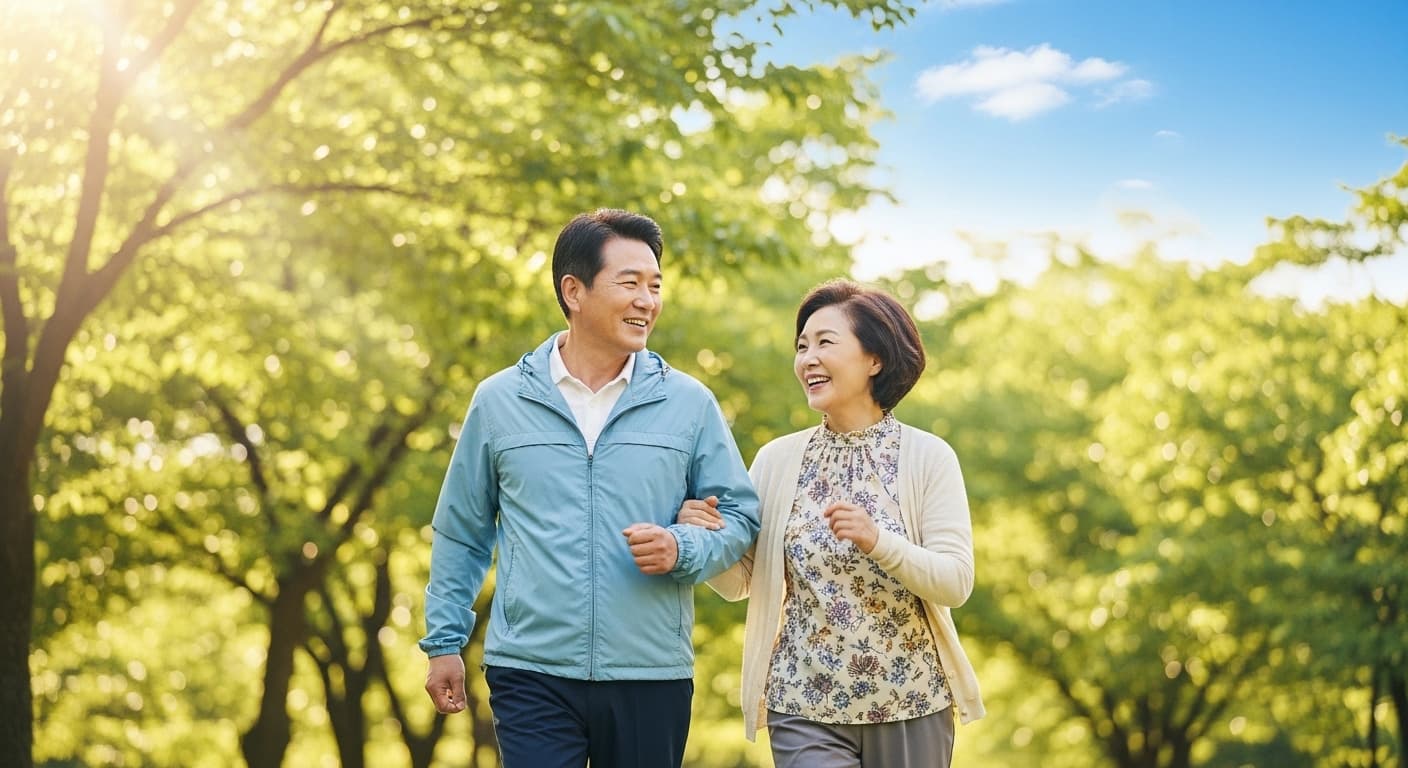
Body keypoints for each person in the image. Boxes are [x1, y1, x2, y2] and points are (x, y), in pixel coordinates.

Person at [420, 208, 761, 768]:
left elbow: (742, 519)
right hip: (530, 669)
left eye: (655, 286)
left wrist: (684, 548)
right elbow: (463, 530)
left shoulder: (689, 403)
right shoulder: (500, 400)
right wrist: (444, 642)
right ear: (573, 291)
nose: (647, 300)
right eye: (629, 283)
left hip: (650, 671)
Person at [678, 279, 984, 767]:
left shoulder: (927, 457)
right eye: (802, 346)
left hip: (909, 700)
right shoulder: (778, 460)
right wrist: (706, 539)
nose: (807, 359)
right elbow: (742, 583)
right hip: (802, 703)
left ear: (874, 359)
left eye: (825, 342)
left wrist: (879, 542)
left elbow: (955, 582)